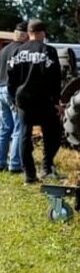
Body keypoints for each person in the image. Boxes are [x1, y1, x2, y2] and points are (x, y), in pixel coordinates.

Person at [6, 19, 62, 183]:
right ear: (42, 33)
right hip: (44, 100)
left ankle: (29, 175)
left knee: (24, 135)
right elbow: (55, 79)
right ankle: (47, 167)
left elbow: (11, 79)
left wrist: (13, 98)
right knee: (53, 134)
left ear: (29, 33)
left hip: (23, 100)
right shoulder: (48, 51)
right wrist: (57, 101)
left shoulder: (18, 52)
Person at [0, 22, 27, 172]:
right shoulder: (21, 51)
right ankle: (15, 164)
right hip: (13, 91)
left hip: (1, 90)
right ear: (24, 35)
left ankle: (0, 161)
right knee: (19, 128)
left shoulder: (4, 50)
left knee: (4, 128)